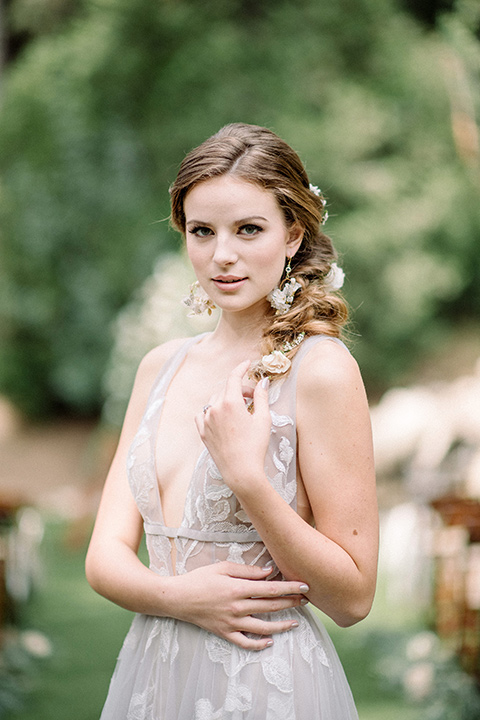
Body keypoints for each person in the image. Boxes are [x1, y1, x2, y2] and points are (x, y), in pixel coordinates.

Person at [86, 122, 378, 719]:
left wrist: (248, 479)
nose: (222, 254)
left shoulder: (321, 372)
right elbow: (103, 556)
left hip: (265, 682)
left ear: (292, 234)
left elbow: (353, 597)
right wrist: (178, 598)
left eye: (249, 229)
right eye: (202, 232)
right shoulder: (160, 367)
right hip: (153, 673)